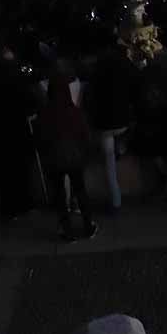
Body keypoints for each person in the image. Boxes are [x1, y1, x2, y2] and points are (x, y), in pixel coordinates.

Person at [36, 73, 98, 241]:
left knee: (59, 195)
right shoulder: (74, 112)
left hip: (54, 159)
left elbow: (40, 139)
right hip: (75, 158)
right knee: (80, 191)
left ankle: (66, 228)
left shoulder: (45, 114)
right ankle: (88, 224)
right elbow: (85, 136)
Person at [0, 44, 38, 219]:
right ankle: (24, 204)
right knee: (21, 170)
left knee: (3, 173)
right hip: (17, 130)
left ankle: (9, 208)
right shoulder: (19, 79)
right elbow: (30, 102)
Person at [87, 37, 138, 213]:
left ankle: (116, 202)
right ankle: (121, 148)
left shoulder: (97, 68)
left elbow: (91, 94)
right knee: (122, 136)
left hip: (104, 123)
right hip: (122, 119)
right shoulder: (126, 65)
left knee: (109, 164)